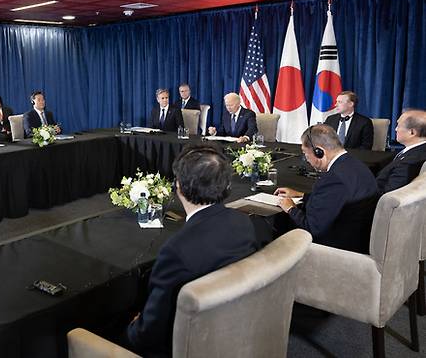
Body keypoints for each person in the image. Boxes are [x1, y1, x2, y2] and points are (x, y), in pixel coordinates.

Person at [125, 144, 258, 356]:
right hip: (235, 327)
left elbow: (148, 334)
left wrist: (133, 328)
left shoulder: (176, 251)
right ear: (226, 187)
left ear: (179, 187)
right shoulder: (244, 223)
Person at [274, 124, 378, 254]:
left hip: (338, 250)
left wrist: (291, 209)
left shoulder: (333, 178)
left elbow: (312, 228)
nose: (307, 160)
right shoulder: (356, 164)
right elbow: (335, 200)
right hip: (360, 238)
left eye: (306, 154)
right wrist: (302, 195)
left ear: (319, 152)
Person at [376, 109, 426, 194]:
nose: (395, 129)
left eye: (398, 125)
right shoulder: (418, 150)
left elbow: (388, 194)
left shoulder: (410, 162)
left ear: (412, 132)